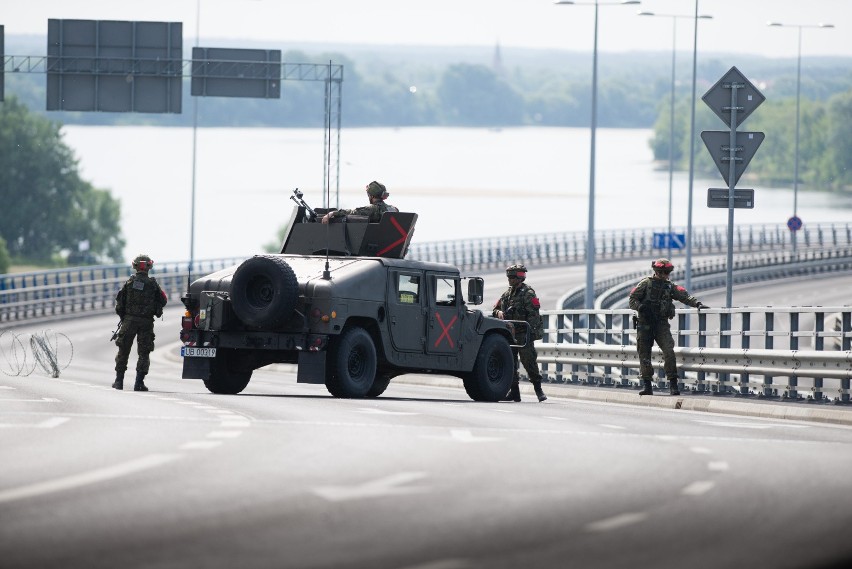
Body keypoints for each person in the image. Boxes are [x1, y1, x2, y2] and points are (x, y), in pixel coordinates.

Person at [628, 258, 708, 396]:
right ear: (657, 271)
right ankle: (647, 385)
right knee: (644, 355)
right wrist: (641, 307)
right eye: (662, 272)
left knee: (669, 352)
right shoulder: (645, 284)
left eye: (667, 272)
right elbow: (632, 299)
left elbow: (684, 296)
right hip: (645, 324)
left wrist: (697, 304)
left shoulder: (669, 286)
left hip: (661, 324)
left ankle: (673, 384)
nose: (665, 275)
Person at [492, 263, 547, 402]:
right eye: (508, 276)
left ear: (519, 277)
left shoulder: (528, 293)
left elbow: (534, 315)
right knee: (509, 363)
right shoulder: (506, 295)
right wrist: (499, 313)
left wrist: (530, 335)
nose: (509, 279)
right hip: (509, 334)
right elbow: (495, 309)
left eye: (512, 276)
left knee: (529, 362)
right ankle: (514, 392)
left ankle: (538, 390)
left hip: (523, 334)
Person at [113, 254, 168, 391]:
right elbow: (164, 300)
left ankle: (119, 382)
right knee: (144, 353)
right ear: (149, 266)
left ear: (135, 266)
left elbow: (119, 304)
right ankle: (139, 383)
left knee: (123, 351)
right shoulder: (153, 285)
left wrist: (124, 318)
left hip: (129, 321)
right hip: (146, 323)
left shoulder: (129, 283)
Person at [321, 181, 398, 224]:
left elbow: (351, 213)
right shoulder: (393, 209)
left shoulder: (372, 209)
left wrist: (332, 213)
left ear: (372, 196)